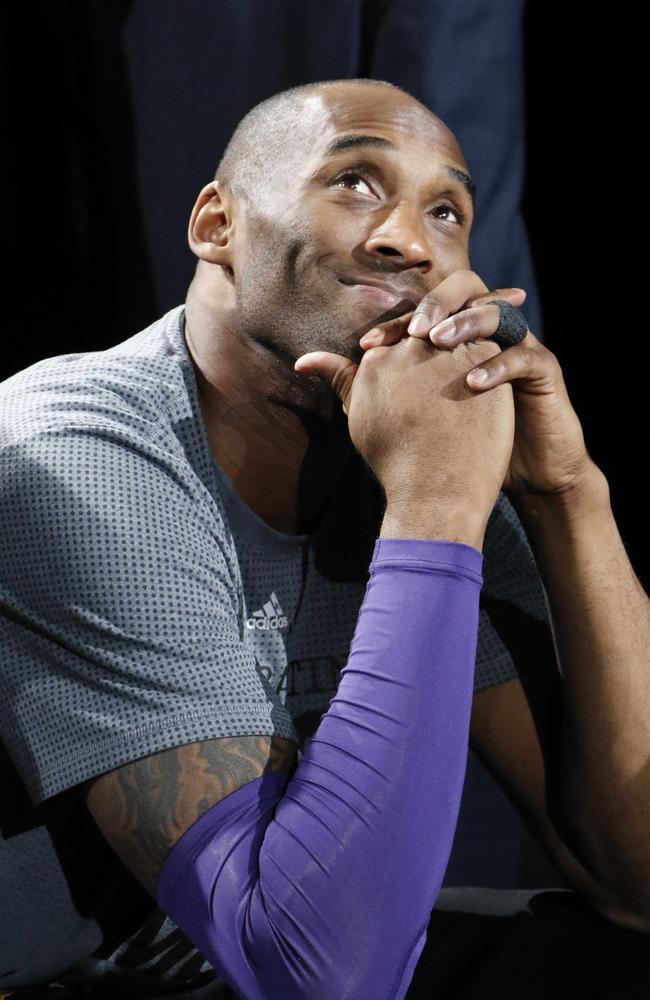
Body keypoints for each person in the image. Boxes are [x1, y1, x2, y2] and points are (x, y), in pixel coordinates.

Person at [0, 78, 648, 999]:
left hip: (169, 960)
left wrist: (565, 494)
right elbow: (320, 977)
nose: (410, 241)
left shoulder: (407, 457)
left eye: (448, 210)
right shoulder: (74, 460)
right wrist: (433, 505)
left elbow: (638, 884)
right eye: (355, 182)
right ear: (216, 224)